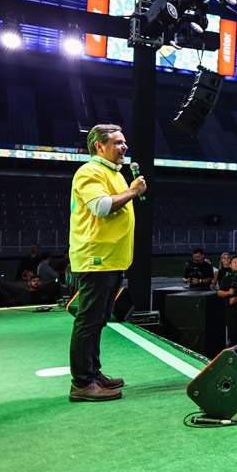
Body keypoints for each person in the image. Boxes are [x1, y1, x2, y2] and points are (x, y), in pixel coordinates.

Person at [67, 124, 146, 402]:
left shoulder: (114, 173)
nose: (124, 147)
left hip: (111, 259)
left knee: (99, 319)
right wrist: (134, 191)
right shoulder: (90, 171)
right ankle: (82, 383)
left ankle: (93, 372)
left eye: (124, 142)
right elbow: (101, 207)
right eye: (117, 142)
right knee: (89, 321)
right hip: (95, 258)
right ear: (99, 146)